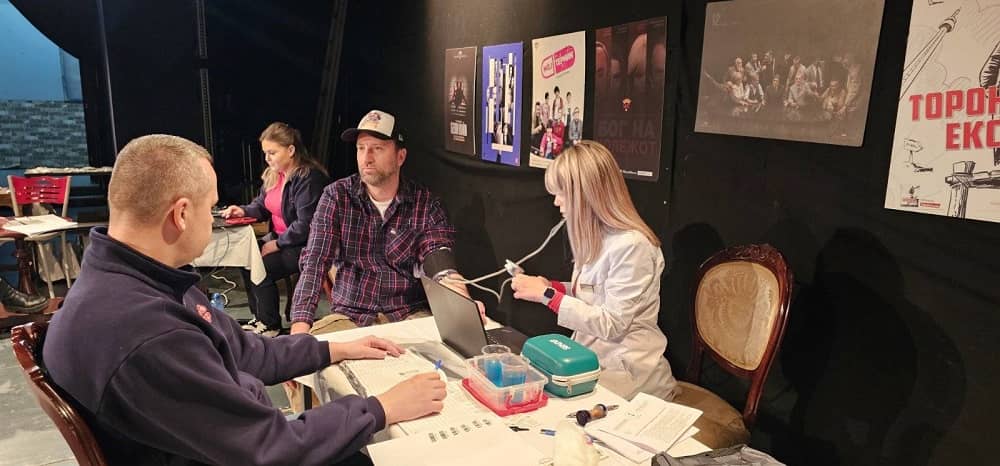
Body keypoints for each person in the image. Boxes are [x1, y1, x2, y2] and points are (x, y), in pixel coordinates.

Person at [42, 134, 447, 465]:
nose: (214, 217)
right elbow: (271, 449)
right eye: (211, 208)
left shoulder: (136, 284)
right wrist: (382, 408)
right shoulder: (149, 332)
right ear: (181, 214)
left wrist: (334, 348)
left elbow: (248, 352)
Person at [510, 140, 678, 401]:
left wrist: (546, 295)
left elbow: (612, 324)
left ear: (586, 194)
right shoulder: (597, 237)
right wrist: (552, 287)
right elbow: (594, 293)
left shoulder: (633, 246)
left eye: (562, 193)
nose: (556, 201)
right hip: (593, 361)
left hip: (629, 372)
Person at [290, 110, 471, 336]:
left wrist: (462, 304)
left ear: (400, 157)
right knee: (307, 353)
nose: (366, 158)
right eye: (361, 148)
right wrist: (300, 326)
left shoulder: (425, 203)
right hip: (351, 315)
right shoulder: (336, 196)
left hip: (408, 314)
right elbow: (316, 261)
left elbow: (438, 256)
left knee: (450, 348)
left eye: (377, 148)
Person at [221, 122, 329, 337]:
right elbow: (261, 206)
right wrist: (242, 211)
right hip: (282, 239)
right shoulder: (274, 175)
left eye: (272, 153)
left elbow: (306, 224)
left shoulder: (308, 178)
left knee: (262, 266)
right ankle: (260, 317)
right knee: (246, 258)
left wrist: (277, 244)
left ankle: (271, 324)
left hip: (305, 244)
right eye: (265, 153)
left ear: (291, 150)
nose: (267, 158)